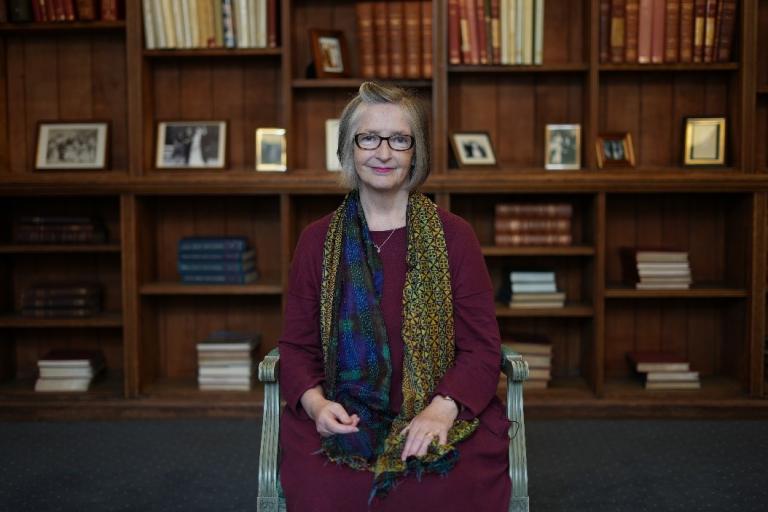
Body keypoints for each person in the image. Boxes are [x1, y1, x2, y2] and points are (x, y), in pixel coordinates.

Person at [278, 82, 511, 511]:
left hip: (440, 406)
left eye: (399, 139)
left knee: (438, 484)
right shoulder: (316, 241)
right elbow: (295, 348)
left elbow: (481, 347)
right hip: (342, 416)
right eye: (368, 137)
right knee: (331, 489)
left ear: (414, 152)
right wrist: (315, 405)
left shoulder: (455, 237)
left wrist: (442, 409)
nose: (383, 153)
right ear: (348, 148)